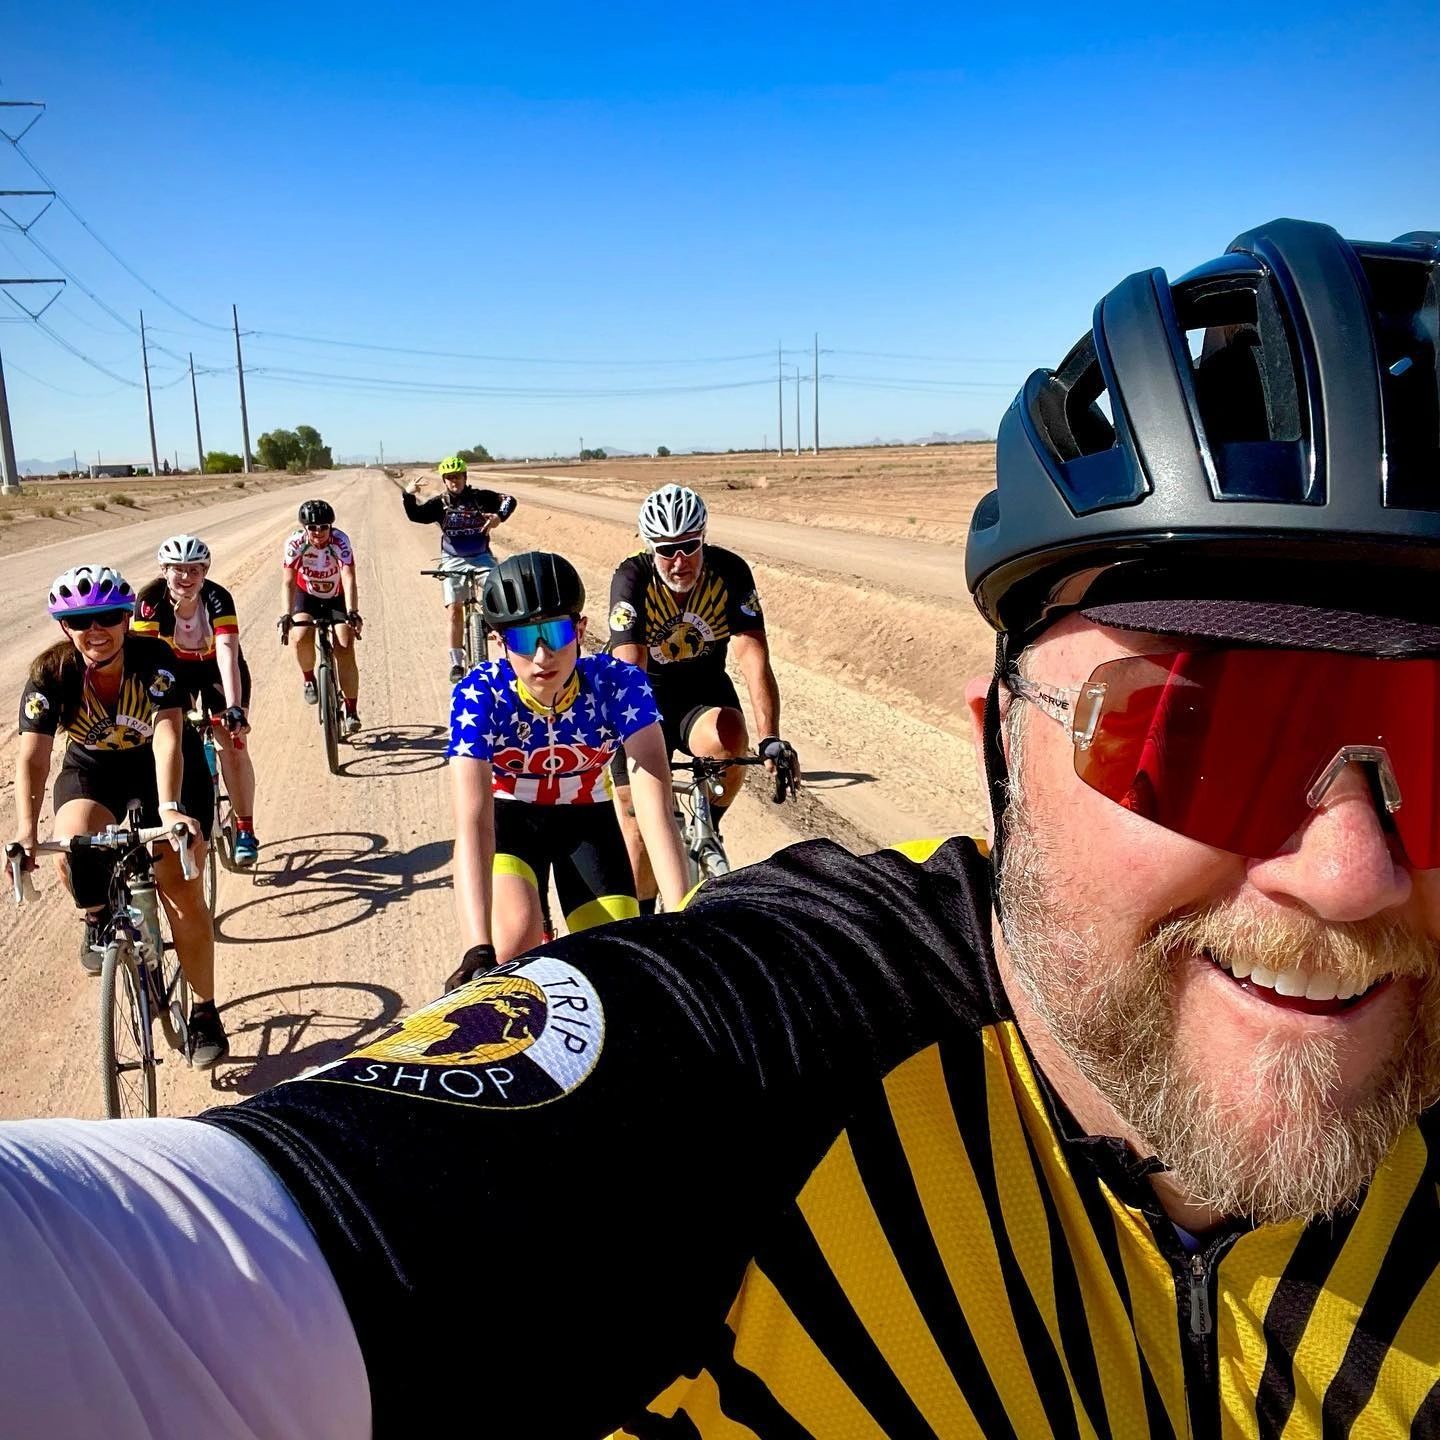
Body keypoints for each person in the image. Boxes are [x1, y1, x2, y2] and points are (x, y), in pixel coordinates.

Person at [4, 220, 1440, 1439]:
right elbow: (161, 1286)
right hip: (514, 812)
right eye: (1190, 735)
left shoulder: (640, 641)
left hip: (630, 756)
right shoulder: (781, 1033)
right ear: (998, 741)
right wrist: (522, 949)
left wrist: (704, 819)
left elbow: (704, 708)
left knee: (684, 771)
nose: (1354, 868)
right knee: (483, 921)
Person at [6, 564, 229, 1068]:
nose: (95, 630)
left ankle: (204, 1013)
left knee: (181, 889)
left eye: (107, 617)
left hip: (164, 770)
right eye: (81, 621)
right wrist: (25, 830)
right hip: (94, 772)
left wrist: (171, 808)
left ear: (126, 618)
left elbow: (169, 735)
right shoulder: (50, 676)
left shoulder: (155, 661)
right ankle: (99, 916)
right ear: (65, 627)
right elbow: (34, 756)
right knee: (74, 842)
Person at [445, 549, 687, 991]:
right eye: (523, 640)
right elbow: (474, 825)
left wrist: (681, 915)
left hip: (587, 821)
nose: (542, 656)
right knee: (512, 943)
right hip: (511, 821)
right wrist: (477, 947)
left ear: (581, 629)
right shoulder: (479, 694)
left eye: (555, 632)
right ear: (499, 643)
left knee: (612, 961)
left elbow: (654, 810)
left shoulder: (620, 683)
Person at [608, 483, 798, 911]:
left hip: (701, 693)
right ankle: (642, 921)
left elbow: (752, 654)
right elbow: (628, 666)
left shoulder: (730, 572)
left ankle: (709, 822)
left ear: (703, 539)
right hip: (643, 699)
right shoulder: (632, 578)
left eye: (689, 546)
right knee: (637, 829)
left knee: (731, 738)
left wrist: (771, 736)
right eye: (666, 549)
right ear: (649, 547)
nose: (679, 561)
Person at [133, 534, 260, 865]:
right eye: (178, 570)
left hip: (216, 669)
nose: (186, 578)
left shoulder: (218, 598)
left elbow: (228, 653)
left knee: (230, 744)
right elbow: (144, 659)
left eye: (195, 570)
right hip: (174, 671)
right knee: (172, 738)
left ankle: (245, 828)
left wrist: (233, 707)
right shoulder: (149, 600)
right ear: (164, 570)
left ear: (205, 572)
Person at [403, 453, 517, 682]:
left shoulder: (480, 498)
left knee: (498, 600)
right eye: (449, 477)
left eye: (458, 477)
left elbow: (509, 500)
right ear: (444, 480)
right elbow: (415, 515)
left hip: (482, 557)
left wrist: (499, 517)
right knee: (454, 609)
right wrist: (408, 494)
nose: (454, 481)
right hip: (452, 559)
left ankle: (510, 651)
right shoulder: (439, 504)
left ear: (465, 477)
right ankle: (456, 662)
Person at [280, 498, 364, 736]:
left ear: (331, 527)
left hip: (335, 596)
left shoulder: (340, 541)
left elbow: (348, 576)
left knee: (345, 644)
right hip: (307, 595)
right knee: (300, 634)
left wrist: (352, 611)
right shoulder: (295, 543)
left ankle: (351, 710)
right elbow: (288, 580)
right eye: (313, 528)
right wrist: (287, 614)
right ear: (305, 528)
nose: (318, 532)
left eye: (323, 527)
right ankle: (309, 679)